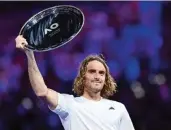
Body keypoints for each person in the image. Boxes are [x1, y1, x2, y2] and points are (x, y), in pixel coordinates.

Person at [15, 35, 135, 130]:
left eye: (101, 73)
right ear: (82, 77)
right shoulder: (70, 104)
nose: (97, 76)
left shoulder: (118, 108)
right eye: (92, 72)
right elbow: (42, 92)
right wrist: (29, 54)